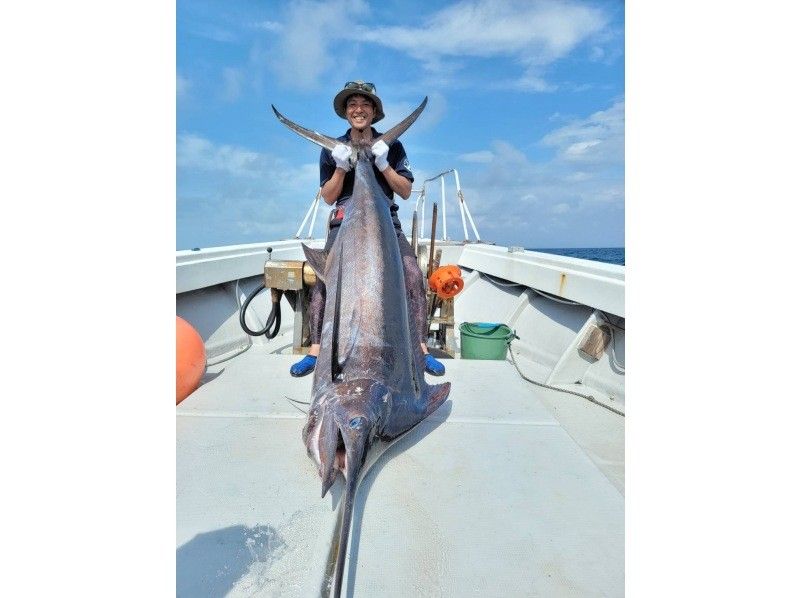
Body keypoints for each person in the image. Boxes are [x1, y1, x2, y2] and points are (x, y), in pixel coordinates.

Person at [290, 80, 446, 378]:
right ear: (346, 112)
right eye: (352, 105)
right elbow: (328, 197)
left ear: (374, 112)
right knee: (325, 277)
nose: (358, 109)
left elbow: (403, 191)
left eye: (365, 105)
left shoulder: (392, 145)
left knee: (412, 274)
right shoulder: (333, 149)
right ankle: (315, 349)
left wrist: (384, 163)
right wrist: (340, 167)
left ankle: (420, 349)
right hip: (344, 221)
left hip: (385, 222)